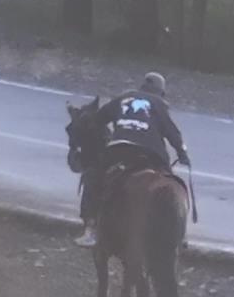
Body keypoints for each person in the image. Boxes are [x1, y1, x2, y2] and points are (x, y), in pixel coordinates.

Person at [76, 70, 190, 246]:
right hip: (152, 153)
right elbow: (172, 132)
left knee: (93, 177)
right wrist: (182, 154)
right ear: (161, 92)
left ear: (142, 87)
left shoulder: (124, 97)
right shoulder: (159, 104)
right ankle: (178, 233)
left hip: (120, 149)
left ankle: (91, 228)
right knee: (168, 183)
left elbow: (98, 119)